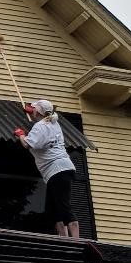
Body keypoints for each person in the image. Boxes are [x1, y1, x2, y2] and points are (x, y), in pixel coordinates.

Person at [15, 99, 80, 238]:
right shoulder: (53, 123)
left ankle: (76, 241)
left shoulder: (40, 126)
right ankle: (64, 239)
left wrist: (21, 134)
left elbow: (28, 144)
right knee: (53, 209)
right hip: (60, 169)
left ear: (37, 111)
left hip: (57, 169)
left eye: (33, 109)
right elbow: (41, 124)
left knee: (63, 205)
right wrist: (32, 112)